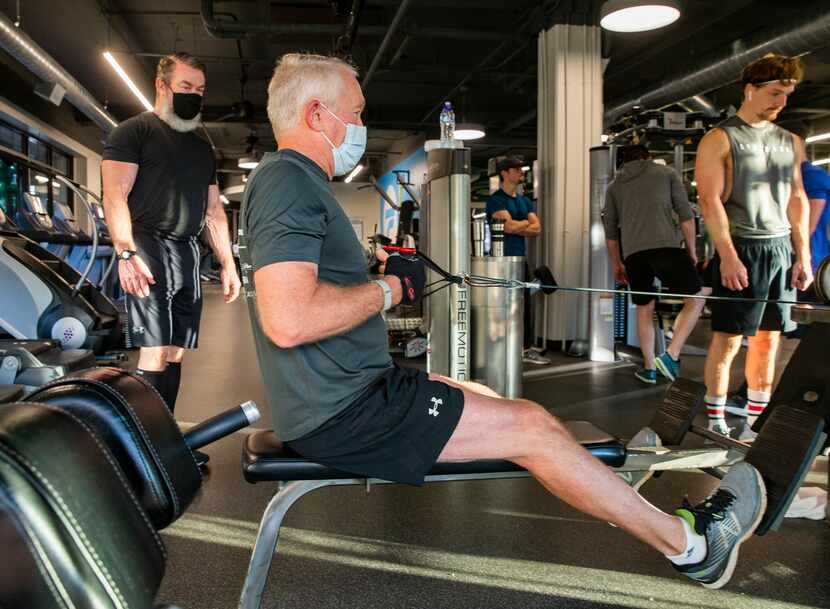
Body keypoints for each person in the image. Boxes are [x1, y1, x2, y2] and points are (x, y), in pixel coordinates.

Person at [238, 52, 766, 590]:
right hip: (346, 412)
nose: (360, 125)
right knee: (531, 426)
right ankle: (693, 546)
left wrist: (376, 269)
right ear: (318, 115)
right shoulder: (288, 181)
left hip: (355, 391)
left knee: (485, 393)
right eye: (356, 112)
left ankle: (609, 485)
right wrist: (392, 287)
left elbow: (308, 286)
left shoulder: (293, 182)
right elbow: (289, 318)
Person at [102, 52, 241, 464]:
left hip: (185, 249)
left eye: (199, 90)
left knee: (177, 349)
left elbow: (214, 210)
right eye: (186, 87)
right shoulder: (133, 132)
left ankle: (163, 443)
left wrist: (228, 262)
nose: (194, 96)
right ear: (162, 86)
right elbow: (114, 196)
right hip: (145, 244)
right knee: (153, 348)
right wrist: (125, 251)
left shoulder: (201, 143)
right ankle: (141, 451)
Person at [695, 54, 812, 438]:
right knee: (728, 339)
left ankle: (754, 423)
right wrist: (726, 255)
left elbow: (797, 197)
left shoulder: (790, 142)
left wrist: (803, 256)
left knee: (768, 339)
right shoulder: (720, 138)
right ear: (751, 89)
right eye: (775, 93)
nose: (780, 102)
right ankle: (716, 420)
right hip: (741, 246)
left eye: (786, 95)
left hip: (779, 248)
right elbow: (710, 202)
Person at [603, 145, 709, 384]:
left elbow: (610, 233)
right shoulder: (667, 173)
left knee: (644, 308)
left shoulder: (614, 187)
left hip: (634, 256)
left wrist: (617, 264)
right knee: (696, 298)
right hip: (667, 248)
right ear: (648, 157)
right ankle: (671, 355)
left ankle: (650, 368)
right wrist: (691, 251)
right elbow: (686, 215)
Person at [485, 157, 546, 364]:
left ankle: (525, 348)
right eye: (517, 169)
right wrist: (522, 225)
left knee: (524, 305)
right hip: (501, 260)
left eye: (522, 168)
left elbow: (536, 229)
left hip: (520, 260)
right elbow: (507, 227)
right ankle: (501, 345)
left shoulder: (524, 200)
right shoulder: (496, 200)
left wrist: (515, 224)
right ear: (504, 173)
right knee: (501, 305)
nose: (521, 172)